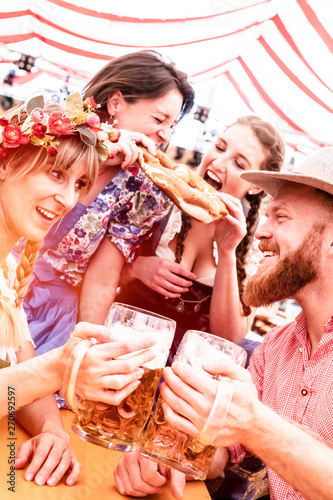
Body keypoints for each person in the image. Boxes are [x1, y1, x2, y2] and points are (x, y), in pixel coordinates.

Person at [114, 147, 333, 500]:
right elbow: (229, 449)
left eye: (281, 217)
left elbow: (250, 427)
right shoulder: (275, 347)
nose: (261, 231)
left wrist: (255, 424)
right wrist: (166, 456)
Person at [0, 95, 156, 487]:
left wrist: (51, 431)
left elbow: (15, 377)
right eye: (56, 174)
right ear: (5, 163)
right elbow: (29, 376)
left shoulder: (9, 272)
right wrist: (60, 369)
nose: (69, 200)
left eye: (79, 184)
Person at [16, 50, 195, 355]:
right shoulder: (55, 119)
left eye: (172, 125)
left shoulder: (142, 189)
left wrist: (89, 347)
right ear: (116, 103)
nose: (165, 134)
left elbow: (102, 278)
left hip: (53, 317)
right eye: (159, 118)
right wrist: (99, 144)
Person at [116, 115, 285, 359]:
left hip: (187, 363)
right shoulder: (157, 197)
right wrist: (136, 269)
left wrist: (227, 252)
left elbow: (230, 337)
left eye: (239, 163)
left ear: (256, 186)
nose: (218, 163)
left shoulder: (256, 241)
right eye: (219, 147)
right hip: (125, 340)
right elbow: (93, 275)